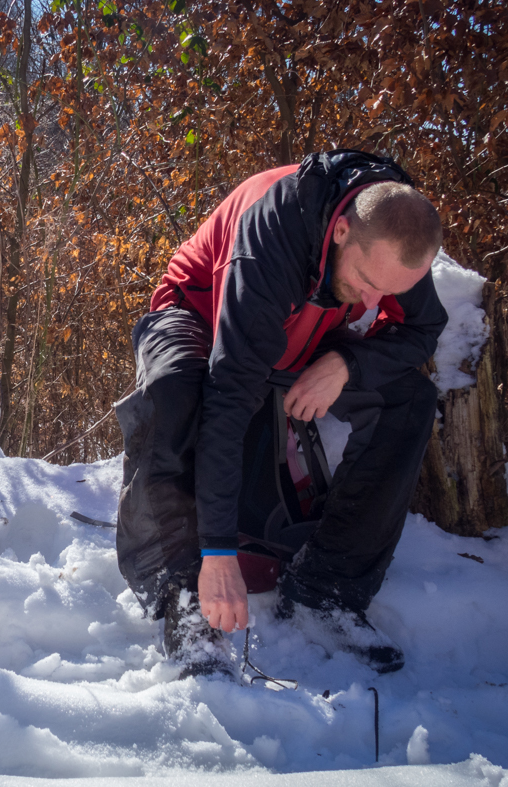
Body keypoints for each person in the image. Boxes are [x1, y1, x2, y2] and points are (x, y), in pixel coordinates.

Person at [114, 149, 447, 675]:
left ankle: (326, 590)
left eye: (387, 290)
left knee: (410, 399)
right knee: (175, 391)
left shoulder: (392, 233)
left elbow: (423, 328)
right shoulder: (270, 235)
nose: (373, 297)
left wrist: (346, 362)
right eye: (366, 281)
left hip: (303, 335)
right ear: (340, 231)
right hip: (200, 322)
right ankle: (179, 596)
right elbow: (228, 395)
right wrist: (218, 554)